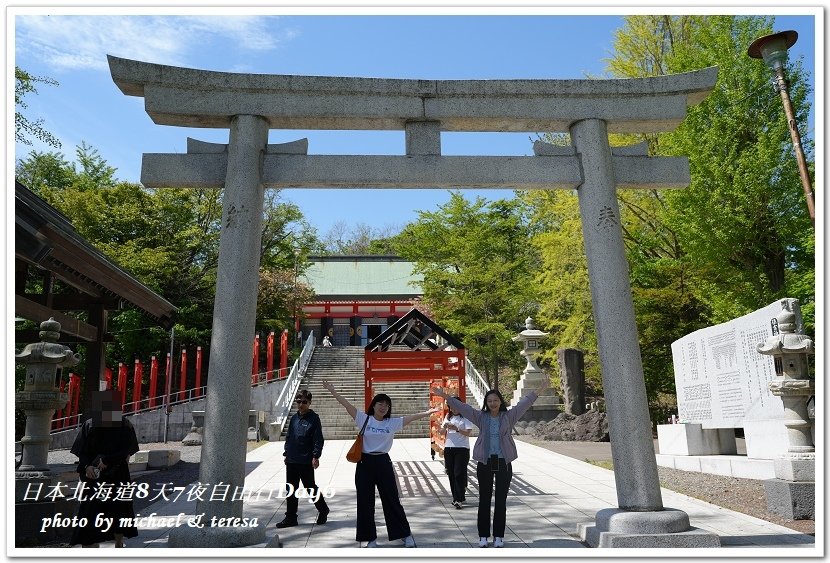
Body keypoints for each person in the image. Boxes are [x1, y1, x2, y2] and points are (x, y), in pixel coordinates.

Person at [321, 379, 440, 548]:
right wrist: (333, 391)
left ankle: (404, 534)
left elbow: (411, 418)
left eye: (386, 405)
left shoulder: (391, 423)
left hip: (383, 462)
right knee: (365, 501)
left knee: (391, 499)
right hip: (365, 463)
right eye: (380, 404)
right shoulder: (364, 419)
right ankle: (370, 538)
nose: (383, 407)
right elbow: (346, 405)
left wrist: (427, 412)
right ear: (374, 405)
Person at [433, 379, 549, 548]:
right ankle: (483, 536)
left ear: (500, 401)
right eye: (489, 401)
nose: (493, 403)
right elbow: (464, 408)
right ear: (486, 403)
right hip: (485, 462)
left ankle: (499, 536)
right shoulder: (480, 417)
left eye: (495, 400)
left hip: (503, 462)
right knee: (484, 500)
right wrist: (444, 395)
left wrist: (539, 389)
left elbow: (524, 404)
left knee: (501, 501)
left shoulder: (508, 416)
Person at [69, 389, 140, 548]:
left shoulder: (124, 424)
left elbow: (126, 450)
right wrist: (87, 466)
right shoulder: (90, 424)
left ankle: (118, 541)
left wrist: (107, 460)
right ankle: (90, 543)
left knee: (118, 510)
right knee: (90, 510)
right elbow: (83, 450)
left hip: (116, 473)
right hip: (94, 474)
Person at [276, 389, 330, 529]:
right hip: (292, 460)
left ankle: (323, 509)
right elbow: (289, 438)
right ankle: (291, 517)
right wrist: (286, 453)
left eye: (304, 402)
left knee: (310, 488)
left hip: (306, 460)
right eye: (298, 402)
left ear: (309, 403)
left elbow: (318, 439)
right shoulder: (294, 418)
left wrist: (316, 456)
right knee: (291, 489)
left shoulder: (314, 418)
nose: (301, 404)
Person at [440, 398, 473, 509]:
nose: (453, 409)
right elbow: (441, 432)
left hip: (462, 449)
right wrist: (444, 427)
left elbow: (468, 433)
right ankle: (457, 496)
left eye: (455, 406)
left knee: (459, 473)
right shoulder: (448, 417)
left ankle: (458, 499)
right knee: (451, 473)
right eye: (451, 407)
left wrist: (457, 429)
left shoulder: (466, 417)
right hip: (449, 448)